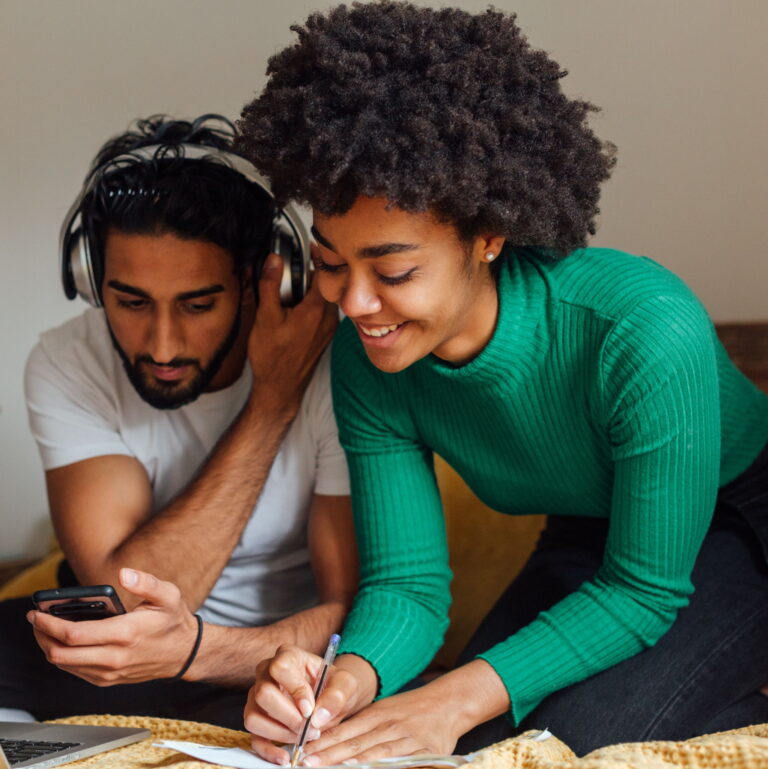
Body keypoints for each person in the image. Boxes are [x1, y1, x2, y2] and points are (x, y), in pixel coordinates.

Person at [235, 1, 768, 758]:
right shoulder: (369, 356)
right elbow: (409, 587)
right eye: (329, 262)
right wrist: (342, 683)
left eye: (393, 270)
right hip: (590, 531)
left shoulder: (643, 328)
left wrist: (453, 693)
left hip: (742, 524)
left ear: (488, 237)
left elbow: (645, 589)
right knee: (468, 737)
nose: (352, 305)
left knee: (575, 739)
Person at [0, 114, 356, 729]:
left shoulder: (334, 365)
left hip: (263, 656)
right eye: (131, 302)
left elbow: (351, 611)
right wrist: (270, 406)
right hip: (114, 648)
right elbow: (126, 600)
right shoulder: (66, 360)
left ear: (261, 279)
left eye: (197, 304)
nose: (162, 346)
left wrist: (283, 391)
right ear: (91, 282)